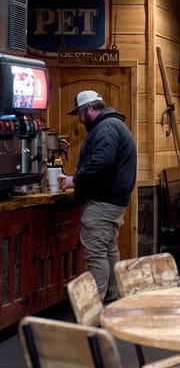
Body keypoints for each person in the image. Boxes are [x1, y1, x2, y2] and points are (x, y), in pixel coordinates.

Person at [58, 90, 137, 304]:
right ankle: (113, 298)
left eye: (80, 113)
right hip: (113, 202)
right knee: (109, 250)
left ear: (90, 108)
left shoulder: (106, 127)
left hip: (102, 204)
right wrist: (75, 177)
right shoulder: (114, 125)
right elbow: (105, 164)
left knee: (96, 254)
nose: (80, 119)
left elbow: (102, 160)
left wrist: (75, 180)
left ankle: (96, 308)